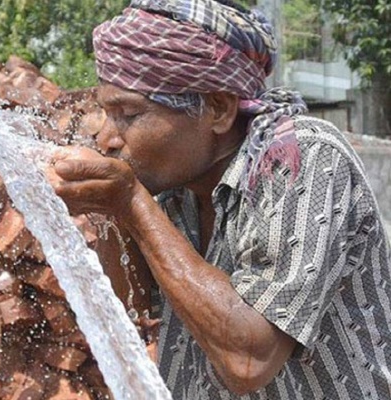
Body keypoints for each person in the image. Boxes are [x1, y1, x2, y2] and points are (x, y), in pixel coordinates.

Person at [48, 0, 391, 398]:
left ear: (218, 108)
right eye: (106, 113)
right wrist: (106, 209)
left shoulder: (302, 157)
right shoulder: (174, 183)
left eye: (127, 113)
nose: (106, 138)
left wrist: (129, 203)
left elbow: (249, 361)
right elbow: (132, 303)